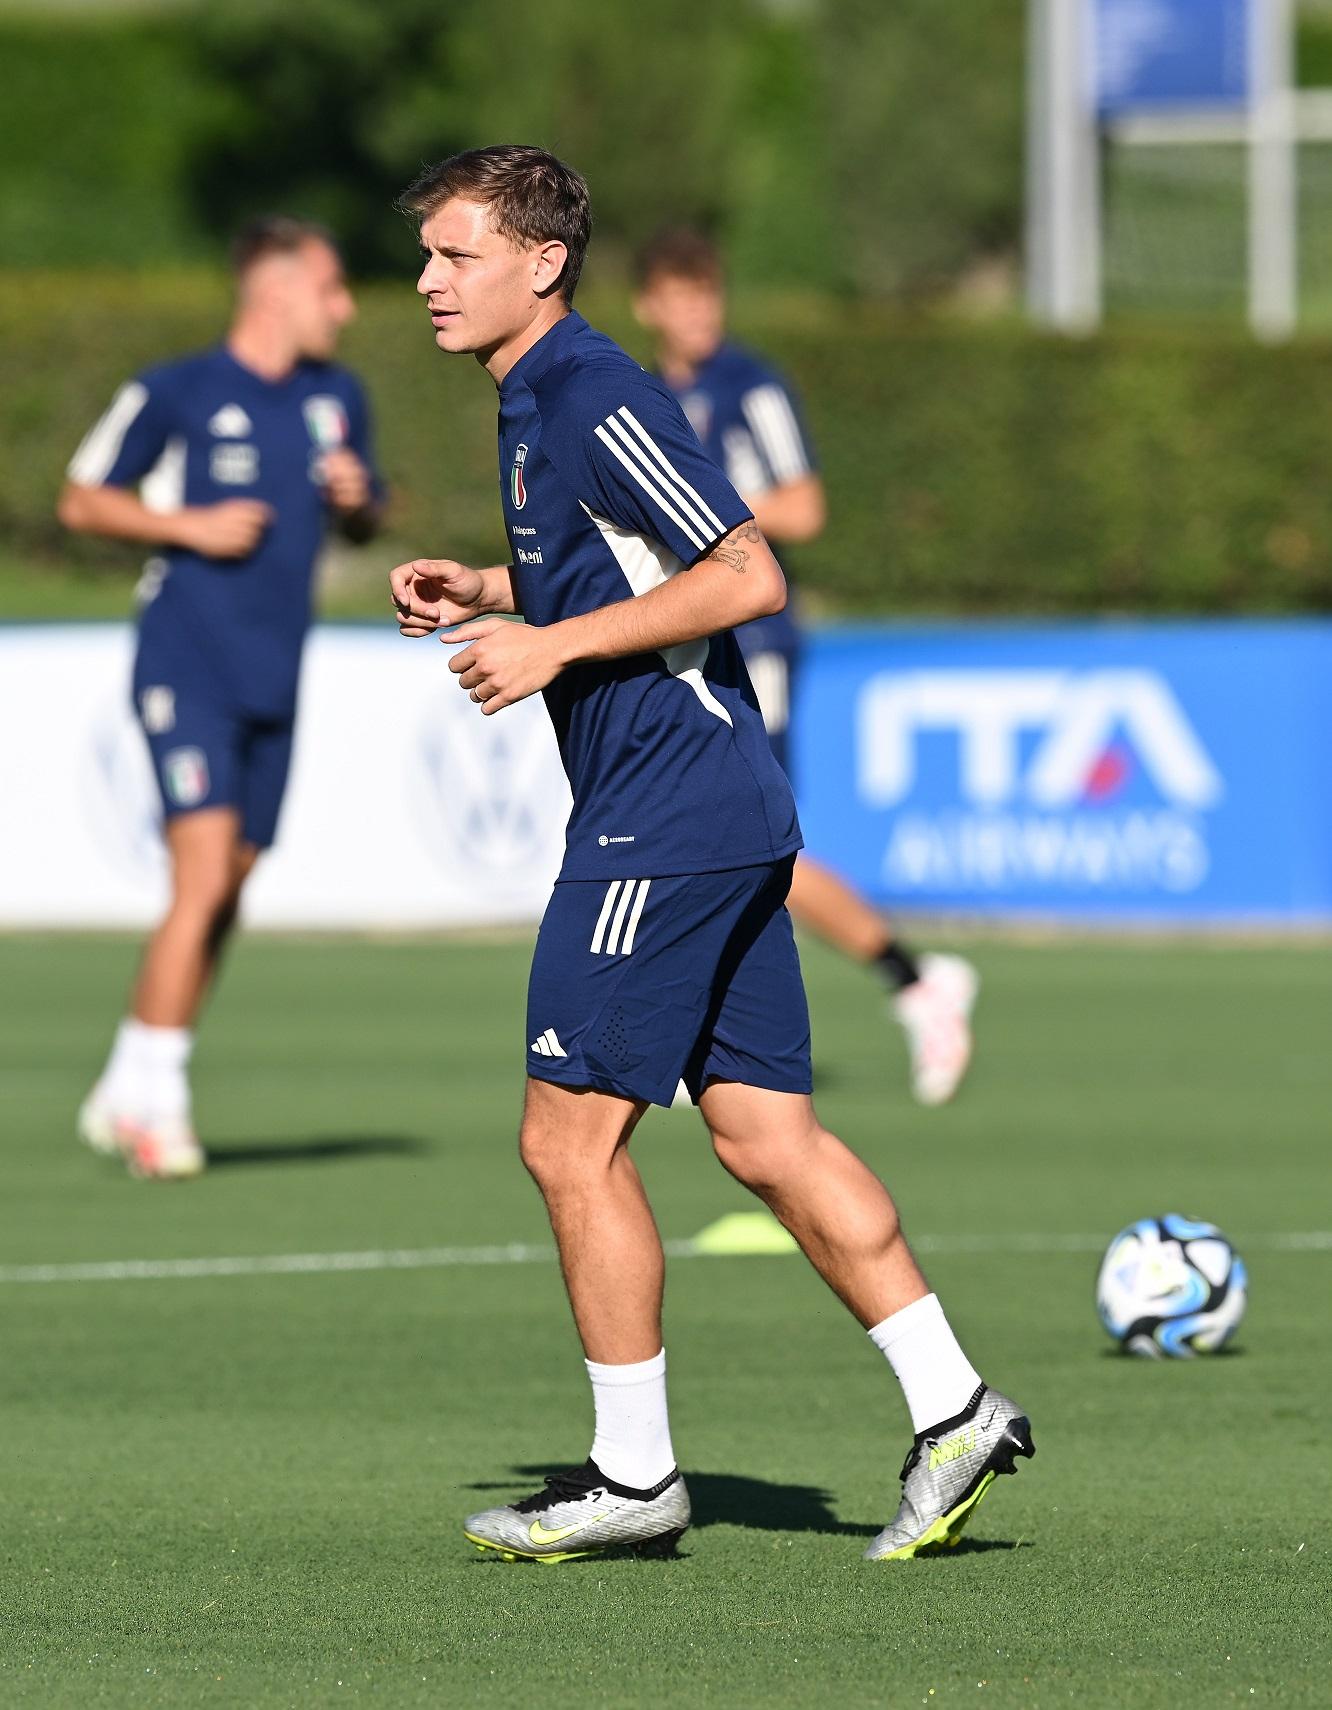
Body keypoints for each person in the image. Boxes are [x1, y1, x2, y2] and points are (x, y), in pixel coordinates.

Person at [390, 146, 1033, 1565]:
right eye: (427, 255)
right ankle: (958, 1407)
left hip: (662, 816)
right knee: (764, 1132)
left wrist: (548, 642)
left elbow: (748, 571)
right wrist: (492, 586)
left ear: (540, 262)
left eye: (455, 253)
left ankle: (632, 1478)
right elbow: (629, 560)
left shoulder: (589, 388)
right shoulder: (536, 400)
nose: (429, 280)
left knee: (566, 1139)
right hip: (716, 807)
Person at [60, 217, 382, 1180]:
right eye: (331, 287)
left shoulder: (338, 397)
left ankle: (128, 1079)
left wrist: (362, 499)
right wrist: (185, 523)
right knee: (200, 878)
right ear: (275, 291)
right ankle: (158, 1105)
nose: (347, 307)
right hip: (186, 663)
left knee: (229, 886)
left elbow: (363, 524)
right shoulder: (179, 389)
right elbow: (82, 497)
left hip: (276, 670)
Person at [633, 228, 977, 1107]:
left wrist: (700, 510)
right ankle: (710, 1025)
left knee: (756, 845)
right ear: (648, 307)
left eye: (707, 294)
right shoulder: (645, 396)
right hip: (689, 638)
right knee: (710, 835)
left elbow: (806, 505)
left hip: (755, 643)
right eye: (680, 296)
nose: (697, 311)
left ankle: (913, 979)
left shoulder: (750, 386)